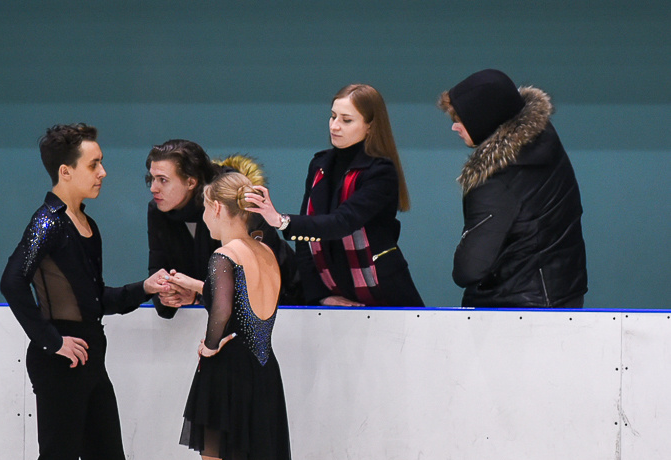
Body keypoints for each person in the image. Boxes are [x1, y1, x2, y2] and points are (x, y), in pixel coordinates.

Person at [0, 123, 175, 460]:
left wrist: (145, 288)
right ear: (66, 171)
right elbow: (12, 281)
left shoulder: (85, 224)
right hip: (61, 365)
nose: (103, 172)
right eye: (94, 164)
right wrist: (50, 340)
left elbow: (96, 300)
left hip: (91, 361)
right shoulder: (47, 222)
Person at [175, 171, 291, 460]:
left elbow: (223, 317)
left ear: (220, 209)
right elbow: (247, 306)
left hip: (227, 378)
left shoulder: (223, 256)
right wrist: (199, 286)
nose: (204, 217)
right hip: (263, 375)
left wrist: (206, 346)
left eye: (205, 207)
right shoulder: (265, 251)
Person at [245, 84, 424, 307]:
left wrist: (281, 221)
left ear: (370, 126)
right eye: (332, 117)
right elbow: (305, 243)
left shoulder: (381, 171)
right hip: (332, 294)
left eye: (346, 120)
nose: (335, 126)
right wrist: (321, 295)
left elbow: (342, 222)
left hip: (384, 293)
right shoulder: (319, 165)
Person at [437, 69, 587, 308]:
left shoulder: (496, 178)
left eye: (459, 118)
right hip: (561, 294)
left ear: (484, 116)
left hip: (516, 309)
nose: (454, 127)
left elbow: (469, 268)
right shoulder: (543, 139)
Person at [146, 139, 302, 317]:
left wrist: (197, 294)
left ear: (190, 182)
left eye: (162, 180)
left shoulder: (237, 204)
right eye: (151, 178)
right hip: (208, 316)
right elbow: (158, 267)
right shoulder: (157, 209)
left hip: (283, 311)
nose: (153, 188)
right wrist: (168, 294)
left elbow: (254, 285)